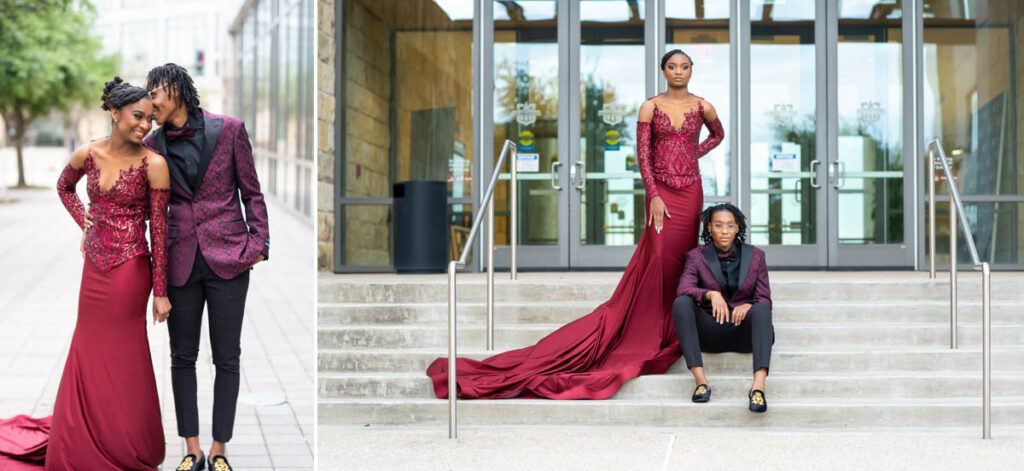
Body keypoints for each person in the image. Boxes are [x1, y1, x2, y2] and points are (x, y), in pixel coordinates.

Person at [426, 50, 724, 399]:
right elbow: (643, 155)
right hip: (661, 192)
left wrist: (692, 155)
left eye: (684, 67)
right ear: (663, 71)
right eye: (672, 66)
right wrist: (653, 194)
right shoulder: (650, 107)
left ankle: (679, 318)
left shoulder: (703, 106)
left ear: (691, 71)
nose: (678, 72)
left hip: (690, 189)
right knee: (658, 256)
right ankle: (652, 325)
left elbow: (717, 135)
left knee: (684, 256)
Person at [0, 77, 170, 469]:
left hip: (130, 269)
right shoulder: (88, 154)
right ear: (115, 113)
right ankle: (81, 436)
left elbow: (160, 234)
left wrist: (160, 291)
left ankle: (126, 443)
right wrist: (85, 221)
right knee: (88, 350)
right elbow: (63, 188)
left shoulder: (154, 164)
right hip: (94, 270)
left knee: (125, 354)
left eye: (150, 121)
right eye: (137, 117)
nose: (144, 126)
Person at [143, 63, 269, 471]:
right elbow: (152, 211)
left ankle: (219, 450)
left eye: (154, 93)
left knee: (227, 358)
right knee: (182, 357)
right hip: (178, 263)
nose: (150, 102)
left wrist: (258, 244)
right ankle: (191, 449)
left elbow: (251, 191)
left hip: (229, 260)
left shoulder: (229, 129)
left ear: (173, 89)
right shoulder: (152, 143)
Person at [673, 203, 774, 412]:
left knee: (762, 309)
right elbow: (684, 288)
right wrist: (709, 294)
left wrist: (749, 305)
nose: (725, 231)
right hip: (710, 332)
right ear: (709, 227)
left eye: (730, 225)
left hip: (743, 333)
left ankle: (758, 386)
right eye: (718, 225)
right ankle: (701, 382)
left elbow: (764, 298)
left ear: (738, 227)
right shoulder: (696, 256)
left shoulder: (756, 256)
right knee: (681, 303)